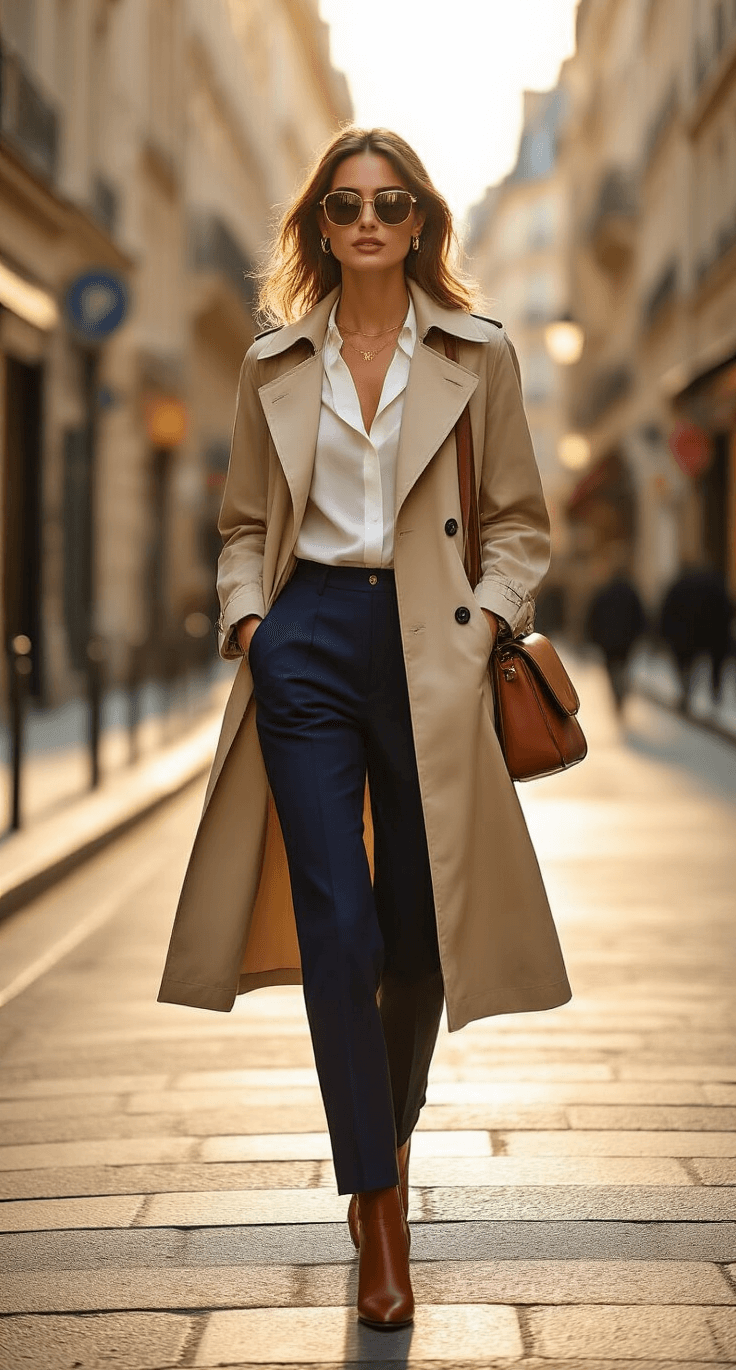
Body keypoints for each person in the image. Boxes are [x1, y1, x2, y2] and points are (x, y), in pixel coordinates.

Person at [158, 127, 571, 1329]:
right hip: (309, 644)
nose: (370, 221)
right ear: (321, 227)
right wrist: (251, 624)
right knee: (336, 925)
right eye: (346, 205)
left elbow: (519, 524)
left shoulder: (478, 354)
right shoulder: (274, 364)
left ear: (421, 223)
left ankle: (374, 1140)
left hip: (431, 647)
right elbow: (245, 523)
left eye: (392, 203)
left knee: (418, 934)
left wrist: (488, 614)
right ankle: (379, 1208)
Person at [659, 566, 733, 710]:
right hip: (712, 633)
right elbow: (726, 609)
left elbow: (667, 612)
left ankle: (688, 691)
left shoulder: (678, 586)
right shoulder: (714, 585)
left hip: (685, 635)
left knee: (686, 665)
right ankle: (715, 692)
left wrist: (665, 634)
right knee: (716, 664)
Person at [584, 572, 646, 712]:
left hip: (608, 642)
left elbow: (593, 617)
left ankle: (617, 695)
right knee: (622, 668)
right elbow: (640, 616)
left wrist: (594, 637)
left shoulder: (604, 593)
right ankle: (620, 695)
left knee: (612, 671)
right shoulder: (631, 594)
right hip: (626, 642)